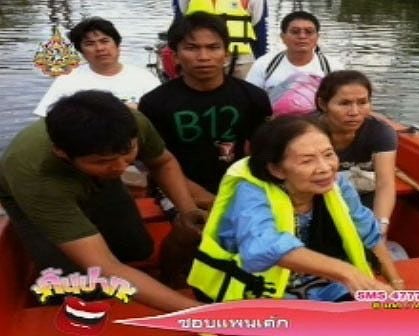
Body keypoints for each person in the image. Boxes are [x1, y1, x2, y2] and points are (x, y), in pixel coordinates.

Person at [0, 90, 201, 312]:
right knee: (73, 284)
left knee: (138, 249)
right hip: (37, 191)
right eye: (103, 161)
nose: (122, 168)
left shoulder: (129, 124)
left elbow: (162, 163)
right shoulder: (36, 178)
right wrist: (201, 313)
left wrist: (189, 213)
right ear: (62, 153)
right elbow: (106, 267)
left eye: (128, 154)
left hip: (101, 181)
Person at [187, 116, 404, 303]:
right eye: (307, 161)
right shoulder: (250, 191)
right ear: (277, 169)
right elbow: (260, 248)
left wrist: (395, 283)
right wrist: (345, 271)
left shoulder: (336, 183)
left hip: (320, 283)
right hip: (255, 290)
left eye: (328, 154)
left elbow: (367, 230)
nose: (325, 168)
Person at [139, 11, 272, 208]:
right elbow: (157, 164)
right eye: (192, 48)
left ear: (226, 53)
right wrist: (211, 201)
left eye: (213, 48)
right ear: (175, 56)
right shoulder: (155, 103)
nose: (203, 57)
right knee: (192, 229)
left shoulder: (253, 97)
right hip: (177, 189)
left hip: (240, 186)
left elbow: (263, 154)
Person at [315, 70, 397, 236]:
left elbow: (385, 184)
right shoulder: (307, 132)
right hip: (317, 193)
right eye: (344, 103)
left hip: (360, 191)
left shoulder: (380, 132)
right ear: (323, 104)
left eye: (362, 102)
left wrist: (381, 227)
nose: (354, 112)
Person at [33, 17, 160, 117]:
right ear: (81, 51)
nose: (99, 48)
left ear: (117, 45)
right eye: (90, 44)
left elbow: (162, 115)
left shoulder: (144, 78)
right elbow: (46, 119)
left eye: (105, 41)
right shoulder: (67, 80)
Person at [245, 11, 342, 117]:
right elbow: (250, 101)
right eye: (295, 32)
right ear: (283, 37)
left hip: (319, 127)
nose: (302, 36)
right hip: (275, 126)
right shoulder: (264, 64)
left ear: (317, 37)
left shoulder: (333, 66)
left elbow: (342, 101)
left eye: (309, 32)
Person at [172, 0, 269, 78]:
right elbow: (180, 26)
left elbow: (259, 29)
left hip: (240, 59)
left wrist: (261, 63)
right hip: (199, 58)